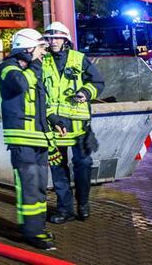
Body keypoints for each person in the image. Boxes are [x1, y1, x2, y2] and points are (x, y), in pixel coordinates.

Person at [0, 28, 56, 250]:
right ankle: (31, 233)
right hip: (22, 140)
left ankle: (37, 227)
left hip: (39, 140)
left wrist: (55, 120)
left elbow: (41, 104)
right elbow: (20, 85)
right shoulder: (7, 68)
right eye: (41, 48)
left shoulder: (33, 69)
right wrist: (35, 66)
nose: (44, 53)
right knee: (29, 186)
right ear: (28, 48)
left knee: (40, 186)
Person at [42, 21, 105, 224]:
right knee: (58, 170)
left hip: (79, 127)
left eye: (57, 37)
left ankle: (83, 204)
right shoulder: (42, 61)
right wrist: (50, 116)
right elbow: (38, 92)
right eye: (50, 38)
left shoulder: (79, 59)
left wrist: (86, 92)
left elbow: (97, 82)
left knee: (83, 165)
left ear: (65, 40)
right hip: (55, 126)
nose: (53, 41)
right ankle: (65, 209)